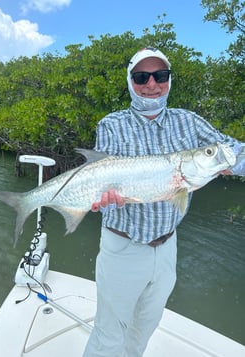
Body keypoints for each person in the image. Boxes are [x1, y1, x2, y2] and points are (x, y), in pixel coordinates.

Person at [83, 47, 245, 357]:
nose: (152, 84)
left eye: (161, 75)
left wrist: (229, 160)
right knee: (108, 335)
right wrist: (103, 199)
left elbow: (235, 151)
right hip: (123, 248)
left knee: (144, 328)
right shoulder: (112, 124)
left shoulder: (189, 122)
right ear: (130, 82)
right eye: (142, 77)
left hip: (168, 247)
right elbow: (101, 179)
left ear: (169, 79)